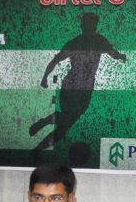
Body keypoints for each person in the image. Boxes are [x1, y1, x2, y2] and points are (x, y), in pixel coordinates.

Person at [34, 13, 127, 154]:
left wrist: (45, 78)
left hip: (72, 87)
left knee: (66, 122)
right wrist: (121, 57)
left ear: (82, 25)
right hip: (81, 89)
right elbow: (113, 54)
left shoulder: (77, 42)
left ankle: (43, 131)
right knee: (66, 123)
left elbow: (55, 60)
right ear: (94, 26)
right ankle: (41, 139)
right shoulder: (97, 41)